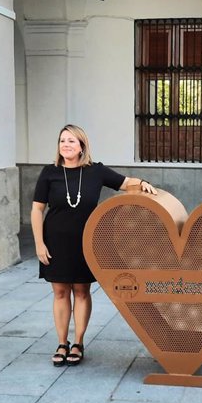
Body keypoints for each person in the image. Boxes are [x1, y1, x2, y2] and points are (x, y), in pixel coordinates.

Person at [31, 124, 157, 366]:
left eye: (71, 141)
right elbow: (37, 209)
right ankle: (61, 342)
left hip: (86, 241)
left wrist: (143, 183)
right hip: (54, 241)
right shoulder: (49, 172)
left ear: (82, 146)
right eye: (62, 141)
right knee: (59, 292)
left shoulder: (95, 172)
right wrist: (39, 243)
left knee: (81, 291)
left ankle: (78, 342)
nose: (65, 145)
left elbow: (126, 182)